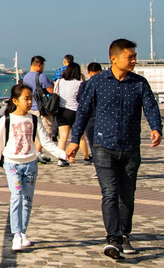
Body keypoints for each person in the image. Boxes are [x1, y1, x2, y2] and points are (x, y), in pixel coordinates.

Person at [66, 39, 162, 260]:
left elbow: (150, 107)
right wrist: (75, 140)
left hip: (130, 147)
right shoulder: (97, 82)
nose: (134, 60)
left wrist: (156, 128)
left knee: (127, 196)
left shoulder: (139, 83)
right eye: (130, 57)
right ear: (114, 58)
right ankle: (113, 239)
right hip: (103, 146)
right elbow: (83, 112)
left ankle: (124, 234)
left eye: (134, 56)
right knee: (109, 193)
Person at [0, 84, 67, 251]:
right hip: (12, 164)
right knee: (16, 196)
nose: (29, 101)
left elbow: (46, 142)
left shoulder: (34, 119)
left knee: (27, 200)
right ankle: (16, 234)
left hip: (30, 165)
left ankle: (23, 232)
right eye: (26, 98)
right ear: (15, 101)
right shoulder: (6, 120)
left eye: (30, 98)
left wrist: (63, 154)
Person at [23, 56, 54, 164]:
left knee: (34, 133)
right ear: (39, 65)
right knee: (46, 131)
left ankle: (36, 153)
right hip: (42, 109)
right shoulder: (41, 77)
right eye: (43, 65)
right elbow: (51, 91)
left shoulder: (26, 77)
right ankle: (38, 152)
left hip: (31, 108)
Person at [53, 62, 84, 167]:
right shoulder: (79, 83)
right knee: (79, 136)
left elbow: (55, 93)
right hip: (74, 111)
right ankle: (72, 156)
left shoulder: (59, 81)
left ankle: (61, 159)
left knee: (62, 137)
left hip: (61, 111)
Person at [78, 62, 103, 164]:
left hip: (99, 118)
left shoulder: (85, 85)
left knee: (99, 144)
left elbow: (79, 99)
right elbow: (79, 99)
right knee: (95, 143)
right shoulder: (84, 85)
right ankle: (99, 166)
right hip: (93, 118)